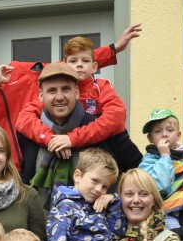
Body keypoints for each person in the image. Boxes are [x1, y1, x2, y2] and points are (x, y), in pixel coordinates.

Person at [0, 27, 136, 168]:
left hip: (34, 156)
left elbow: (69, 65)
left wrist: (114, 49)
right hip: (0, 165)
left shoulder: (17, 71)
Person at [17, 62, 141, 191]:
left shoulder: (105, 132)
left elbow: (140, 173)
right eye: (52, 91)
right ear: (41, 96)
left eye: (66, 89)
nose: (59, 97)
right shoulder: (27, 135)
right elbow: (24, 179)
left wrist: (115, 198)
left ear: (76, 92)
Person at [15, 36, 127, 161]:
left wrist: (73, 138)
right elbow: (24, 119)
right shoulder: (56, 93)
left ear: (94, 66)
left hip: (96, 158)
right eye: (73, 61)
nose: (79, 65)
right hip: (59, 154)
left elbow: (116, 117)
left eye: (85, 61)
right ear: (65, 65)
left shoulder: (102, 86)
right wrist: (51, 139)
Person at [138, 109, 183, 230]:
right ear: (150, 138)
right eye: (157, 131)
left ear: (178, 135)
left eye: (170, 130)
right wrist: (165, 156)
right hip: (165, 216)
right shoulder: (147, 162)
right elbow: (161, 186)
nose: (164, 134)